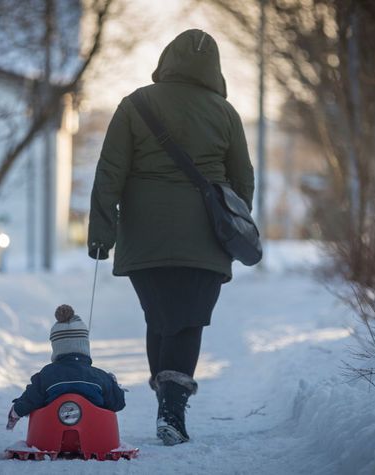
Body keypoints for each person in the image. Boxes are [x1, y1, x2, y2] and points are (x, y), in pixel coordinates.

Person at [87, 29, 254, 445]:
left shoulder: (135, 105)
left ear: (167, 59)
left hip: (145, 236)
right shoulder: (225, 113)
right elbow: (243, 182)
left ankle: (167, 405)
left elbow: (110, 173)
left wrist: (101, 233)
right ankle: (172, 410)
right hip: (204, 238)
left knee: (161, 318)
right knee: (188, 321)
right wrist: (232, 224)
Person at [6, 304, 125, 430]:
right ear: (84, 346)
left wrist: (15, 412)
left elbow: (30, 399)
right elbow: (117, 404)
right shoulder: (100, 376)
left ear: (56, 347)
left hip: (52, 433)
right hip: (93, 433)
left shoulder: (47, 374)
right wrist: (114, 384)